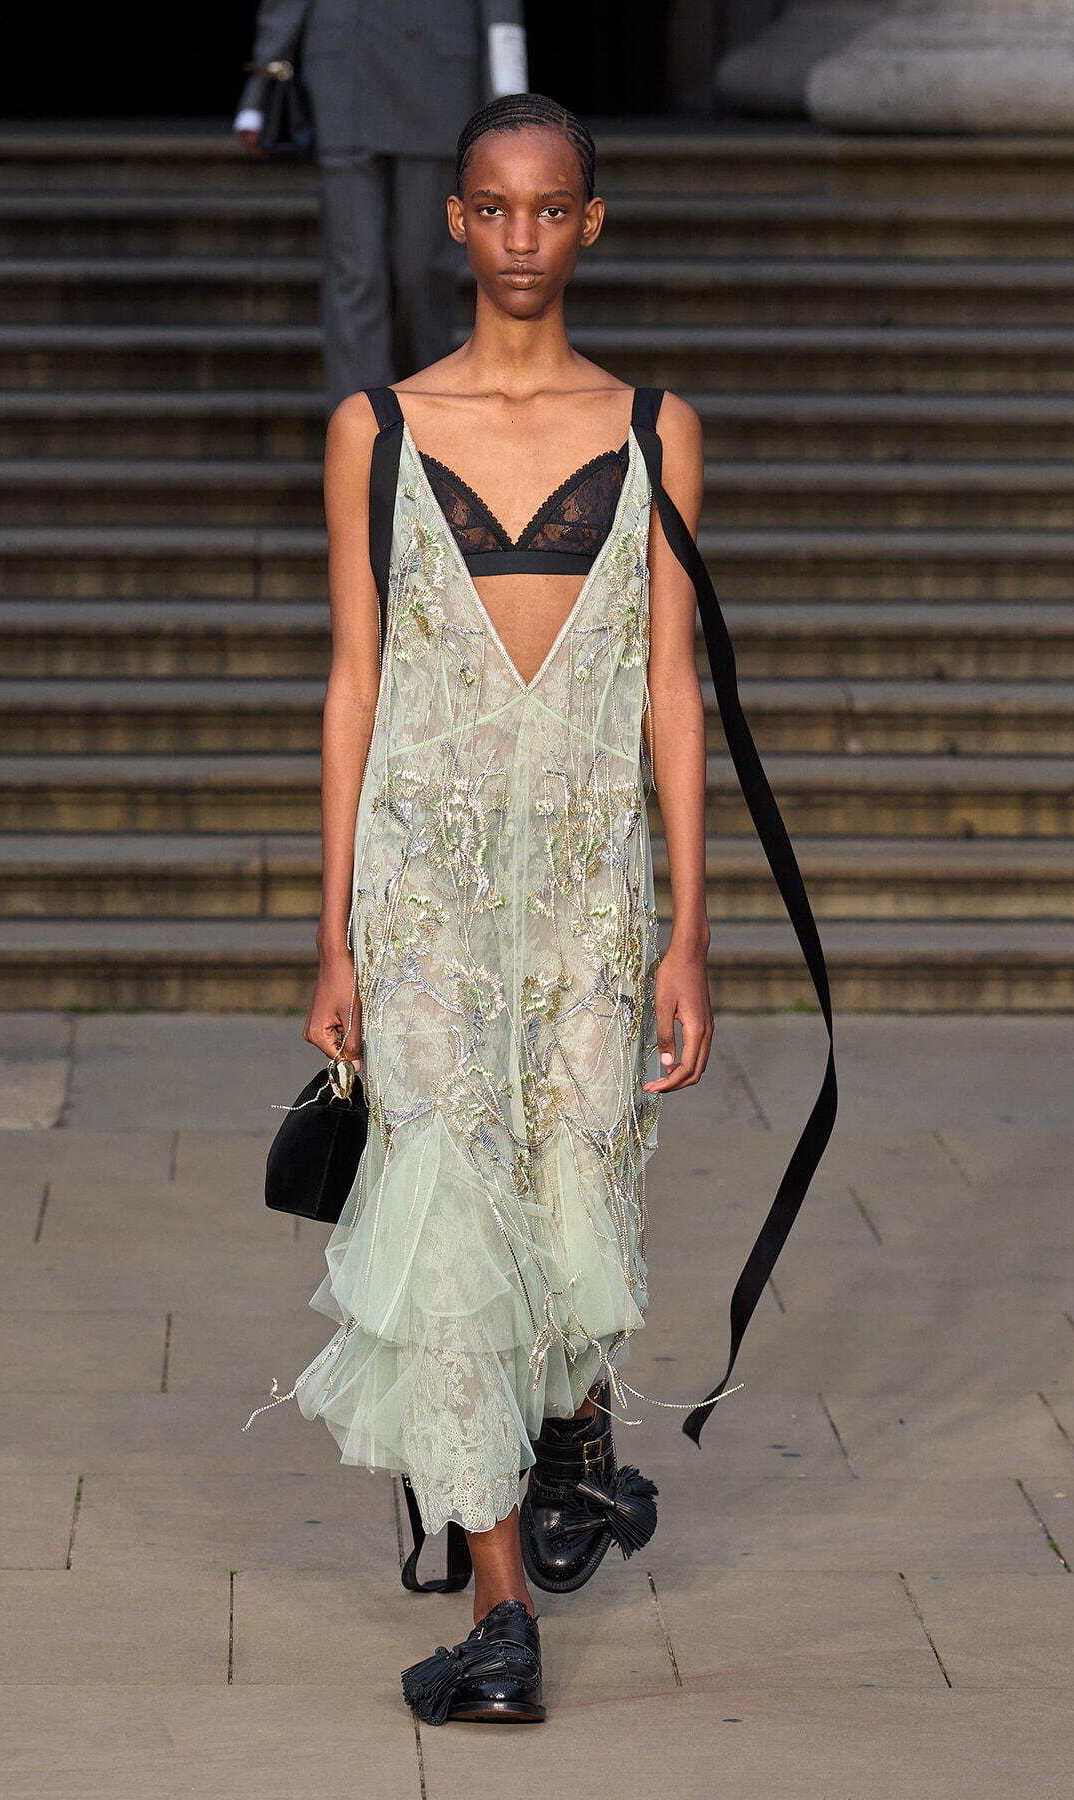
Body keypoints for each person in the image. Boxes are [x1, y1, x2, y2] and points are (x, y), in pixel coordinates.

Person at [261, 91, 718, 1726]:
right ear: (453, 221)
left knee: (574, 1199)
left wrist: (691, 924)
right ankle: (502, 1611)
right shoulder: (375, 430)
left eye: (550, 210)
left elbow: (669, 686)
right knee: (450, 1229)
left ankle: (576, 1436)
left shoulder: (655, 426)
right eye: (492, 208)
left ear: (589, 224)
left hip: (594, 899)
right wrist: (335, 930)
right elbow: (355, 687)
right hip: (429, 900)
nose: (520, 237)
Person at [235, 0, 528, 409]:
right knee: (356, 275)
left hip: (438, 78)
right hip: (345, 76)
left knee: (422, 272)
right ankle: (365, 433)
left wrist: (509, 100)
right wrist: (263, 82)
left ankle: (426, 419)